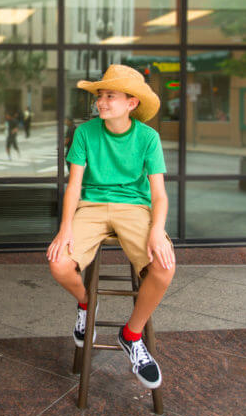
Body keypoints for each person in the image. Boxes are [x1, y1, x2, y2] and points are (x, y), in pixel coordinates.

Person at [46, 64, 175, 390]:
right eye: (100, 95)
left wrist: (158, 229)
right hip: (91, 206)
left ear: (132, 102)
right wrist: (65, 228)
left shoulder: (148, 137)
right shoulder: (86, 133)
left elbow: (159, 193)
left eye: (110, 96)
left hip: (134, 207)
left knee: (163, 267)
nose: (101, 102)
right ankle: (87, 301)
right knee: (59, 264)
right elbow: (74, 185)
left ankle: (131, 335)